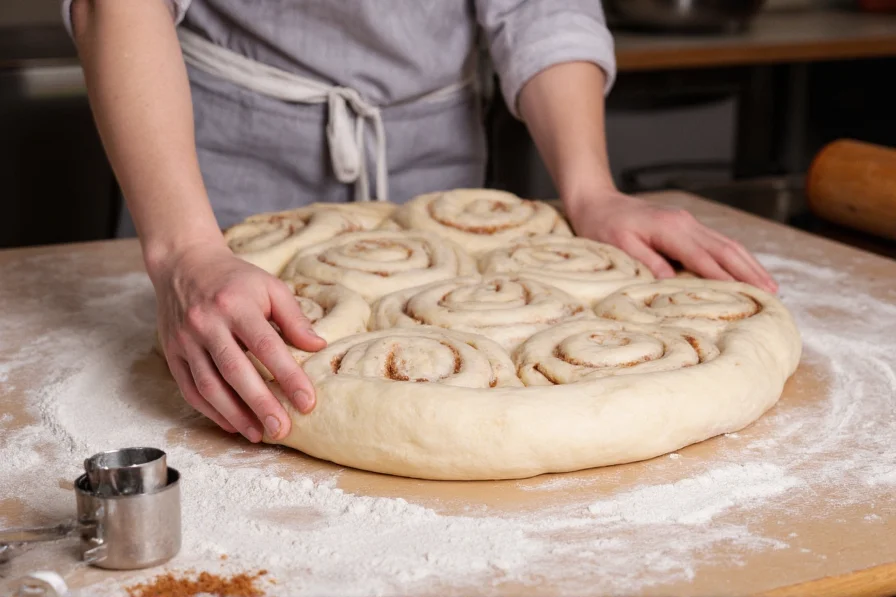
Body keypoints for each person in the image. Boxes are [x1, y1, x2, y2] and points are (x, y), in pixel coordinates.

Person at [66, 0, 778, 446]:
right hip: (210, 175)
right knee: (226, 372)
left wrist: (592, 189)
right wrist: (187, 247)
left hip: (438, 188)